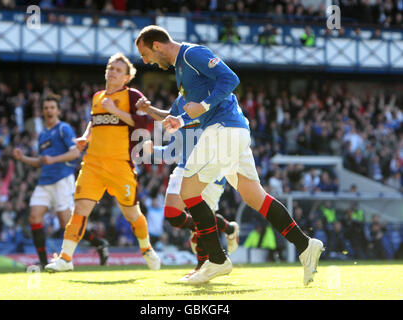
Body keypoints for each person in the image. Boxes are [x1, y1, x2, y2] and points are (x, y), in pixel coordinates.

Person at [135, 25, 323, 285]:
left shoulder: (191, 54)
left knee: (188, 191)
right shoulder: (181, 70)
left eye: (145, 54)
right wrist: (180, 119)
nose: (146, 62)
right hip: (232, 131)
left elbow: (230, 78)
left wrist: (202, 105)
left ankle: (217, 260)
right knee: (254, 196)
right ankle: (305, 245)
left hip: (223, 130)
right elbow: (193, 109)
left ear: (156, 45)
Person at [45, 53, 161, 272]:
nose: (112, 71)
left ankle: (147, 249)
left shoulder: (132, 95)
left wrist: (115, 110)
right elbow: (94, 121)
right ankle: (65, 259)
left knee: (132, 214)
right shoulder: (98, 96)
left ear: (127, 77)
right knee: (79, 209)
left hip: (120, 165)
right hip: (93, 164)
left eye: (118, 70)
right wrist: (85, 137)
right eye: (110, 67)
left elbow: (143, 125)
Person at [136, 94, 240, 280]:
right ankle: (225, 228)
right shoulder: (181, 101)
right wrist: (152, 151)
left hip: (211, 168)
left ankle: (201, 267)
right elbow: (171, 150)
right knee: (172, 214)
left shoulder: (214, 98)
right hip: (184, 168)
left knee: (203, 220)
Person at [12, 94, 109, 269]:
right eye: (46, 108)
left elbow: (75, 153)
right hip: (44, 182)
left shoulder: (64, 129)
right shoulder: (43, 134)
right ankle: (43, 262)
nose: (49, 111)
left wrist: (54, 159)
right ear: (43, 111)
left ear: (58, 111)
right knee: (34, 217)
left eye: (52, 107)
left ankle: (99, 243)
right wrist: (23, 158)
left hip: (62, 180)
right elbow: (41, 161)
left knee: (67, 224)